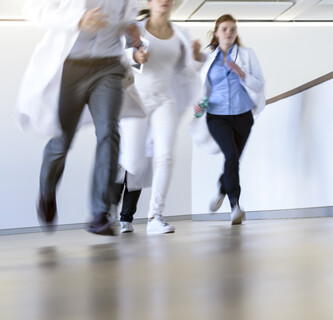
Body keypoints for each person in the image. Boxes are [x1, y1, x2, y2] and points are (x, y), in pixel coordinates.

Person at [17, 0, 144, 236]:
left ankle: (100, 213)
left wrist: (133, 33)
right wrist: (76, 19)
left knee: (109, 131)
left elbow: (128, 19)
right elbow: (33, 9)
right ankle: (47, 191)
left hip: (109, 66)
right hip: (69, 68)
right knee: (61, 140)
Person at [110, 0, 202, 234]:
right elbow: (119, 58)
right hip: (136, 99)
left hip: (165, 100)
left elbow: (187, 71)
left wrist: (197, 57)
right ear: (149, 2)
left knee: (166, 156)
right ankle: (110, 208)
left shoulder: (181, 34)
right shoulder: (134, 28)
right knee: (132, 161)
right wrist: (135, 56)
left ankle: (155, 217)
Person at [192, 14, 265, 225]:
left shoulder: (246, 54)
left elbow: (259, 85)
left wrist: (242, 73)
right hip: (217, 117)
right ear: (216, 33)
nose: (229, 33)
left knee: (233, 160)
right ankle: (235, 206)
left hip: (243, 115)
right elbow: (200, 90)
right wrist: (198, 106)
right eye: (224, 29)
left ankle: (222, 188)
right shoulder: (207, 59)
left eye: (233, 29)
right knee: (231, 156)